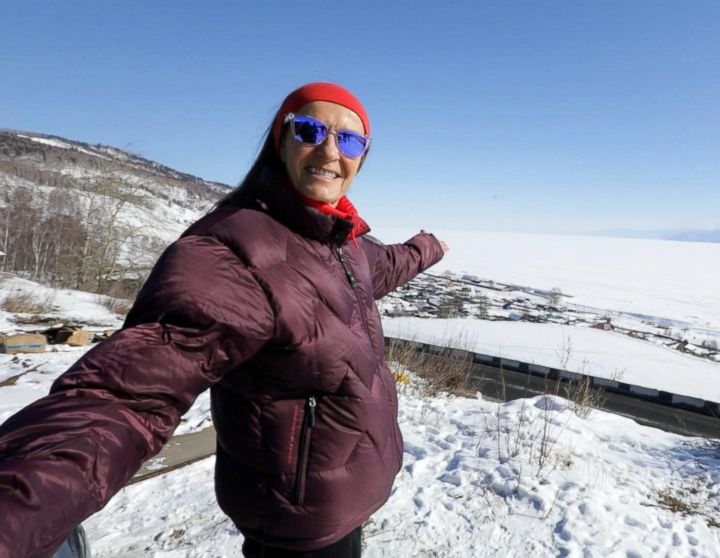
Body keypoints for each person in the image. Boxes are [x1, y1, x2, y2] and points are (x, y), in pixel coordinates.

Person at [0, 82, 447, 557]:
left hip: (345, 497)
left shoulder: (341, 241)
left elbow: (388, 264)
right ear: (281, 140)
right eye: (311, 130)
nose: (330, 150)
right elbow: (124, 394)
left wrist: (431, 247)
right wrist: (19, 507)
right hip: (296, 516)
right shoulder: (231, 253)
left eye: (350, 140)